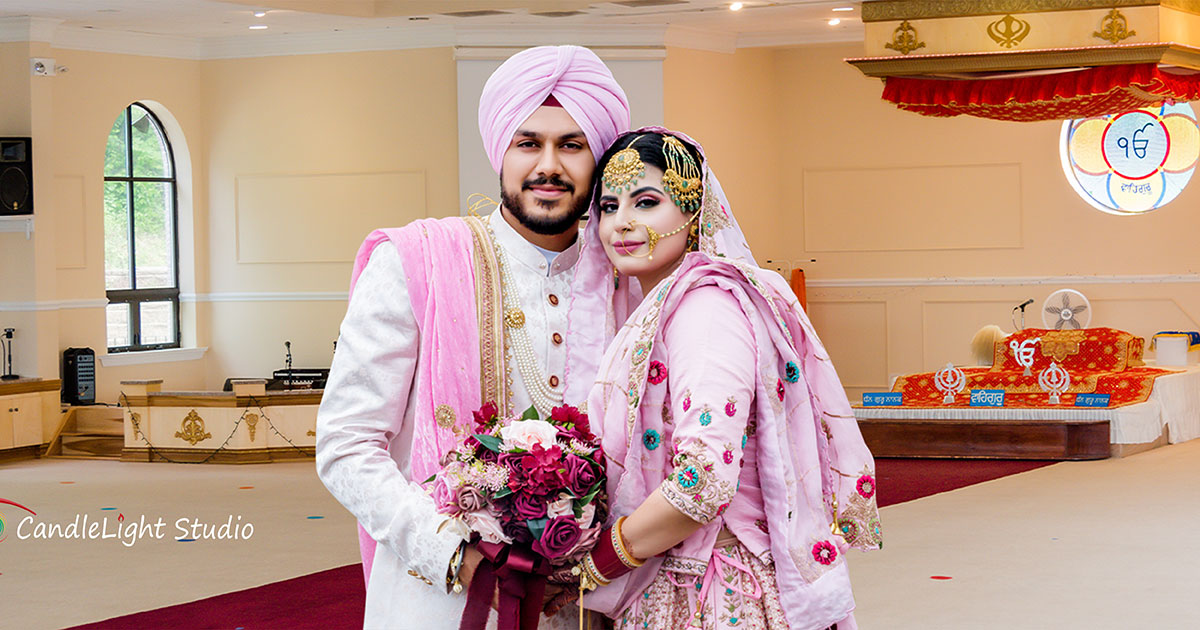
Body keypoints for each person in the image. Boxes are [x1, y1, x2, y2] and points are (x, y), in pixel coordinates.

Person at [315, 45, 629, 629]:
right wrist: (458, 558)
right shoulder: (415, 264)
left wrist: (605, 565)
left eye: (572, 144)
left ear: (599, 158)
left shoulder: (629, 281)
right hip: (438, 594)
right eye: (528, 142)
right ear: (500, 150)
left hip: (595, 602)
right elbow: (346, 446)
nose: (549, 166)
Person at [563, 129, 883, 630]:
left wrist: (594, 564)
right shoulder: (666, 304)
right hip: (677, 575)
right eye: (608, 205)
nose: (621, 223)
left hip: (716, 590)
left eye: (646, 202)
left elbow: (703, 481)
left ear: (693, 214)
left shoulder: (705, 310)